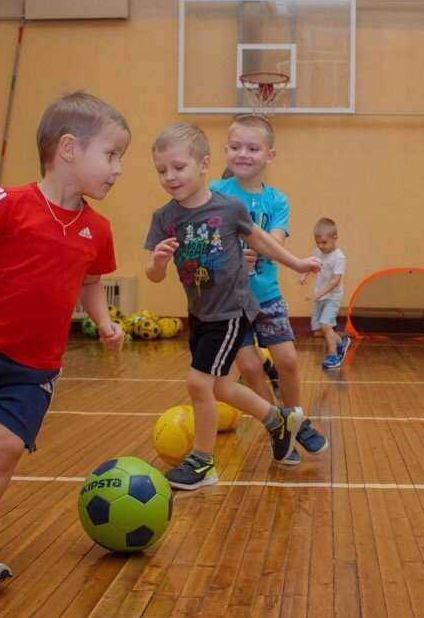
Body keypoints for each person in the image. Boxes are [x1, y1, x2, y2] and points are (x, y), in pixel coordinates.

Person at [0, 92, 128, 590]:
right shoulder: (9, 202)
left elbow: (91, 281)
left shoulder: (98, 229)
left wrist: (103, 321)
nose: (118, 169)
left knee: (6, 448)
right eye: (112, 155)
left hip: (34, 368)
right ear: (69, 148)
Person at [145, 122, 321, 488]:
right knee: (221, 387)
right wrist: (158, 262)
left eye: (178, 168)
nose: (170, 177)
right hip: (201, 313)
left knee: (198, 384)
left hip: (231, 311)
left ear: (203, 164)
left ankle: (202, 463)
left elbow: (262, 240)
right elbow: (154, 276)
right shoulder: (164, 218)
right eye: (162, 170)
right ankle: (279, 420)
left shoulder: (227, 207)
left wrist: (298, 263)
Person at [208, 115, 328, 461]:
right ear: (225, 150)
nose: (243, 154)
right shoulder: (215, 193)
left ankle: (296, 418)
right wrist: (229, 257)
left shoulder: (277, 201)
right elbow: (209, 241)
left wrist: (257, 251)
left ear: (269, 156)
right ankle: (278, 427)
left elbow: (273, 240)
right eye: (235, 147)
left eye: (252, 148)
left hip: (266, 295)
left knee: (288, 360)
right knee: (249, 367)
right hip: (230, 302)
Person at [303, 217, 350, 370]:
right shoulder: (317, 252)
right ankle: (340, 340)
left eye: (324, 243)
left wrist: (321, 293)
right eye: (318, 242)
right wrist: (304, 275)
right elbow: (313, 266)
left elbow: (335, 280)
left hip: (332, 297)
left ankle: (333, 356)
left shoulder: (339, 257)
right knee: (318, 330)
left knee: (326, 324)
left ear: (335, 237)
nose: (320, 246)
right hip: (320, 296)